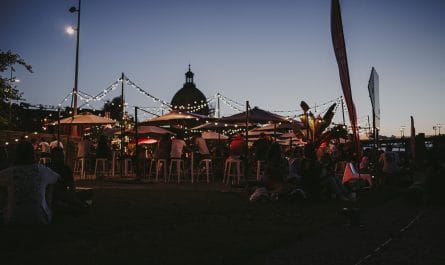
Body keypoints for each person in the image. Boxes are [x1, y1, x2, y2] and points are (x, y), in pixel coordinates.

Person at [0, 140, 59, 225]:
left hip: (11, 218)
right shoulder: (42, 170)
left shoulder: (8, 172)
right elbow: (57, 178)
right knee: (51, 184)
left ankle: (8, 208)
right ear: (33, 154)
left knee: (3, 186)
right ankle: (45, 207)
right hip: (41, 219)